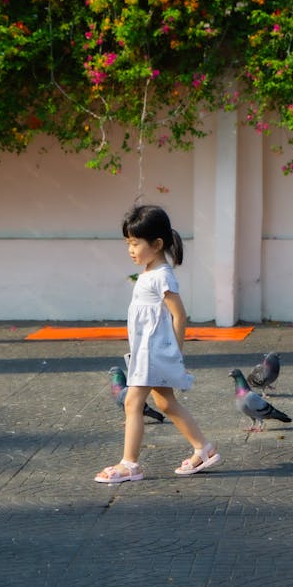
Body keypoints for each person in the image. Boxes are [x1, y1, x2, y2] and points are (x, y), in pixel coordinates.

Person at [95, 204, 221, 483]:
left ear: (157, 243)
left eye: (135, 243)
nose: (130, 249)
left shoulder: (162, 275)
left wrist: (174, 353)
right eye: (128, 243)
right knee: (165, 403)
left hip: (153, 352)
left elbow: (179, 314)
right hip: (146, 350)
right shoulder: (150, 271)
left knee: (132, 401)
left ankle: (129, 464)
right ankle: (204, 448)